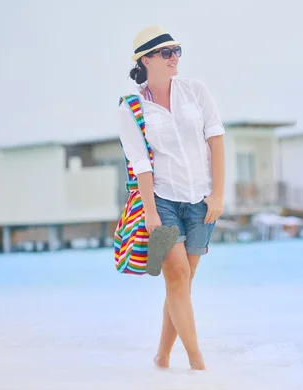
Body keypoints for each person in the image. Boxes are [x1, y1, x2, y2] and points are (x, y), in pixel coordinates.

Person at [117, 25, 226, 371]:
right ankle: (197, 363)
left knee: (183, 282)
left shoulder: (195, 91)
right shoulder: (131, 108)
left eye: (176, 50)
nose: (174, 57)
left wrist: (219, 194)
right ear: (145, 60)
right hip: (162, 199)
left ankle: (162, 357)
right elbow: (140, 165)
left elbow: (216, 139)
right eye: (166, 52)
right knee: (176, 274)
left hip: (200, 200)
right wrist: (150, 213)